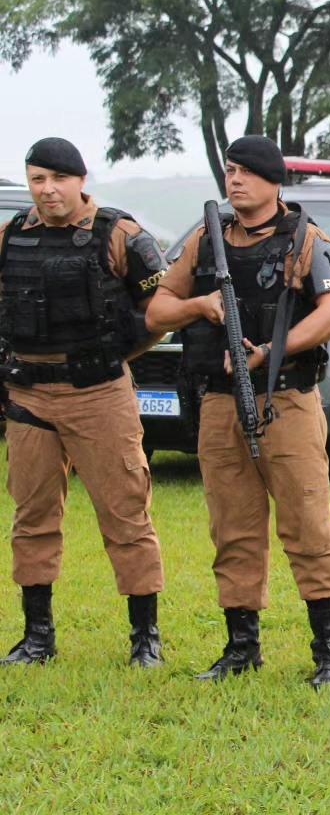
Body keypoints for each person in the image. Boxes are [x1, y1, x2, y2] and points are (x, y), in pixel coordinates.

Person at [145, 135, 330, 689]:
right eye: (230, 171)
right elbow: (157, 309)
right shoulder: (205, 239)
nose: (234, 180)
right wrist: (199, 305)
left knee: (307, 522)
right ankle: (242, 646)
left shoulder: (305, 239)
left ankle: (328, 649)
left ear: (272, 181)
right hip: (218, 403)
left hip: (284, 397)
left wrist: (269, 352)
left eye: (246, 172)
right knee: (232, 525)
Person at [0, 137, 168, 667]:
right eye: (36, 180)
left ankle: (145, 639)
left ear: (80, 179)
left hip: (98, 393)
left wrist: (119, 353)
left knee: (125, 512)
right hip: (29, 393)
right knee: (32, 516)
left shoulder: (119, 234)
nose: (47, 190)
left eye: (57, 179)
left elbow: (157, 312)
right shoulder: (10, 236)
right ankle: (38, 638)